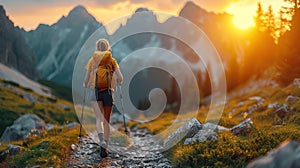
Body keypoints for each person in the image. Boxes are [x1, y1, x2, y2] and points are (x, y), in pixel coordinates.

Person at [83, 39, 123, 158]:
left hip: (95, 92)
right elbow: (120, 77)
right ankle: (105, 144)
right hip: (108, 93)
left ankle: (100, 140)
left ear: (97, 48)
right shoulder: (111, 60)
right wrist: (118, 82)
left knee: (98, 119)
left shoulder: (92, 60)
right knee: (106, 121)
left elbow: (86, 81)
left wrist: (85, 85)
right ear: (107, 48)